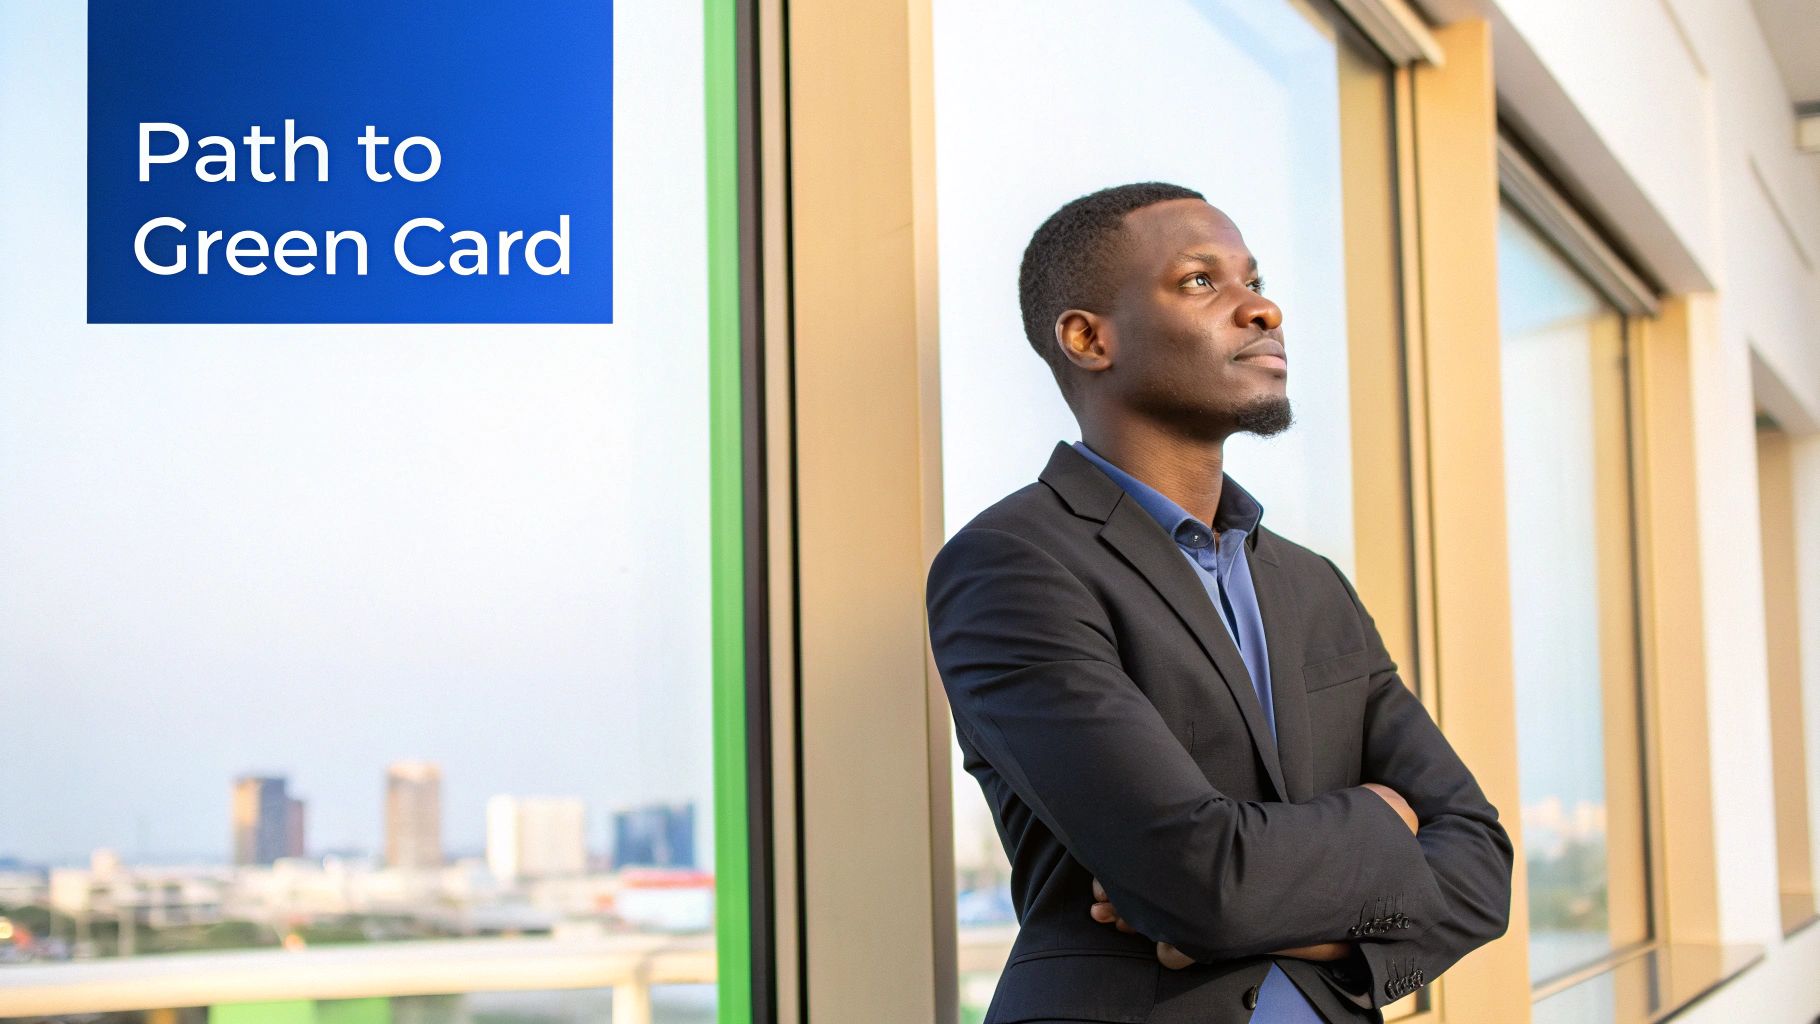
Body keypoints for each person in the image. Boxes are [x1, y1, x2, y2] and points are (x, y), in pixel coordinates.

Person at [924, 182, 1512, 1023]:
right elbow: (1197, 877)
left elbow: (1482, 868)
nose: (1263, 309)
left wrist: (1303, 932)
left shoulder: (1312, 584)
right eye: (1201, 281)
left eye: (1255, 280)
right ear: (1089, 338)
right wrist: (1384, 816)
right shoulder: (1011, 566)